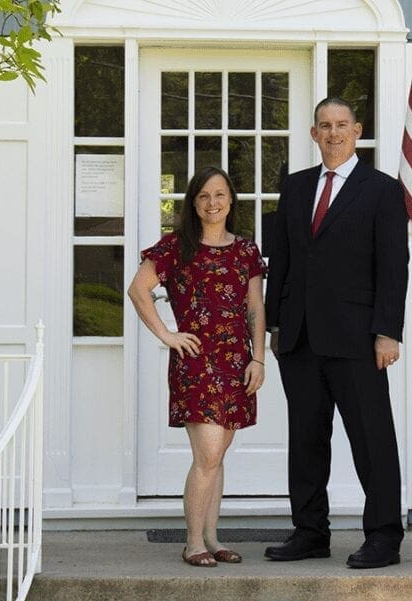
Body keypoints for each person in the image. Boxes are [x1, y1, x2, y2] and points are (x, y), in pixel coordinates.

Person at [263, 97, 409, 569]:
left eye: (342, 124)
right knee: (305, 440)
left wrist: (387, 332)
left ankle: (384, 537)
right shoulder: (297, 187)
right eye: (324, 125)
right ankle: (310, 532)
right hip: (300, 337)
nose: (333, 132)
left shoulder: (382, 190)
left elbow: (393, 266)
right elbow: (281, 260)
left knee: (372, 440)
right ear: (313, 133)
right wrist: (275, 323)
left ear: (357, 130)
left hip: (358, 338)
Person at [128, 166, 267, 568]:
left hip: (236, 363)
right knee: (207, 453)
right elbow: (138, 289)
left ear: (231, 200)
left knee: (218, 455)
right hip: (196, 364)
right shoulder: (176, 247)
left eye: (220, 195)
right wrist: (167, 335)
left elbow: (255, 307)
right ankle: (192, 542)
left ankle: (211, 536)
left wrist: (258, 358)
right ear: (193, 202)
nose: (212, 203)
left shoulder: (245, 250)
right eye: (204, 196)